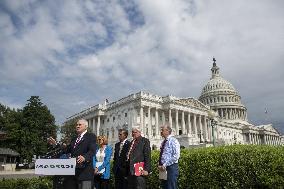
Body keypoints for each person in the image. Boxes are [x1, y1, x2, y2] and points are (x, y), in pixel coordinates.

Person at [48, 119, 97, 189]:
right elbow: (66, 149)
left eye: (79, 125)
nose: (77, 126)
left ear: (86, 126)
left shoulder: (91, 136)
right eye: (77, 125)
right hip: (73, 174)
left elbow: (92, 150)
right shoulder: (74, 139)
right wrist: (56, 144)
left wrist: (85, 157)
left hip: (85, 174)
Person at [158, 125, 180, 189]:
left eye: (162, 130)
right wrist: (160, 164)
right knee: (165, 186)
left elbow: (176, 156)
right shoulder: (163, 142)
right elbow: (163, 155)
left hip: (171, 168)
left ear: (167, 131)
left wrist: (165, 164)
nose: (161, 132)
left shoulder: (173, 141)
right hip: (163, 168)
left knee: (171, 186)